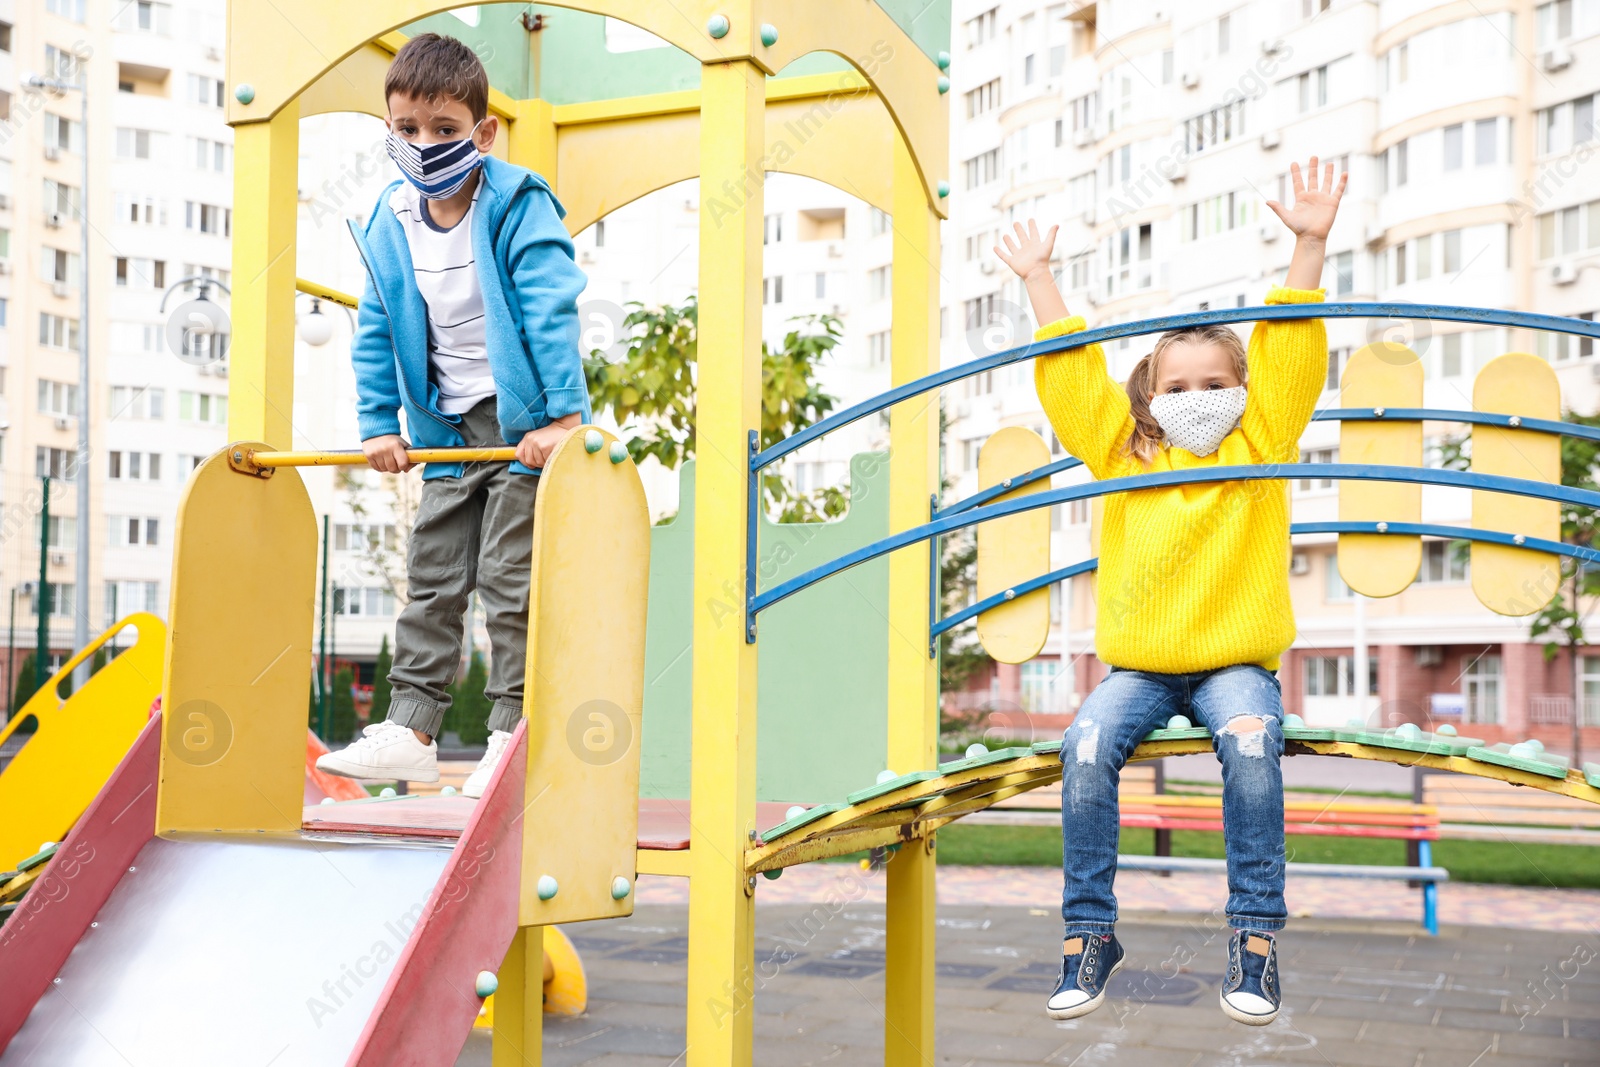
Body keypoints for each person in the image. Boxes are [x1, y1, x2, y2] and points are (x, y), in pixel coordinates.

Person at [994, 156, 1347, 1026]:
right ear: (1149, 397)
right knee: (1083, 747)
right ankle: (1088, 933)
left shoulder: (1259, 439)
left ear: (1243, 392)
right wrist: (1041, 279)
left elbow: (1293, 353)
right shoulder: (1123, 450)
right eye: (1178, 386)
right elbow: (1072, 380)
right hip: (1142, 667)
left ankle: (1256, 939)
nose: (1200, 399)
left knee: (1252, 745)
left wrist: (1307, 246)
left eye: (1217, 384)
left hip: (1233, 662)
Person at [315, 33, 588, 799]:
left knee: (509, 575)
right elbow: (375, 325)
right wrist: (379, 424)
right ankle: (410, 728)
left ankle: (511, 728)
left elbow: (549, 305)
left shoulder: (515, 201)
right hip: (444, 428)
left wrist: (561, 415)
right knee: (433, 574)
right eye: (407, 129)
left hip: (521, 420)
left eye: (444, 128)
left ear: (483, 131)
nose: (425, 144)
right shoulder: (390, 220)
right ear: (390, 130)